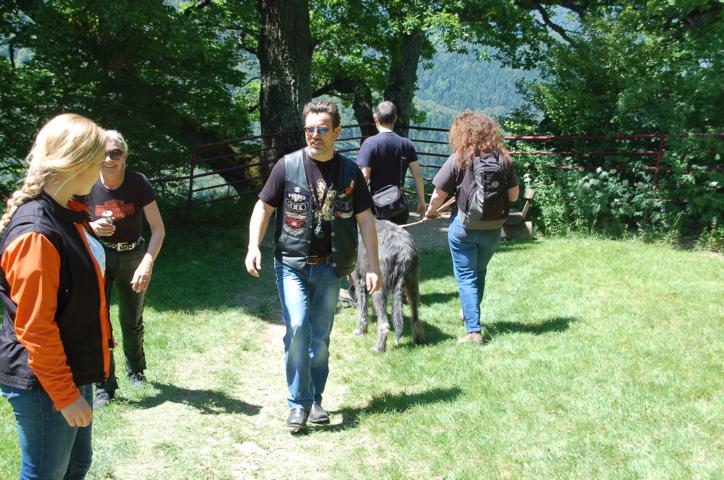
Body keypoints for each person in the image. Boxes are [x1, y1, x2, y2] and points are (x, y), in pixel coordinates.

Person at [245, 99, 382, 432]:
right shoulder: (287, 166)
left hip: (331, 267)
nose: (315, 135)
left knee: (320, 339)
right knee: (297, 328)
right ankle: (298, 404)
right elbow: (263, 208)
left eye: (322, 129)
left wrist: (373, 266)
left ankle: (315, 399)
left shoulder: (350, 172)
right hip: (291, 264)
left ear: (337, 132)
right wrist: (253, 246)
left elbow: (365, 219)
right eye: (309, 129)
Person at [0, 113, 111, 479]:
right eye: (98, 161)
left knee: (76, 466)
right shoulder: (36, 232)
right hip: (43, 382)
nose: (102, 171)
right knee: (46, 474)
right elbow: (35, 328)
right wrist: (65, 395)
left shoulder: (66, 214)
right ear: (77, 163)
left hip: (71, 367)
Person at [80, 130, 165, 407]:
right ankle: (105, 384)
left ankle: (136, 370)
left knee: (131, 319)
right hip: (100, 255)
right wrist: (91, 227)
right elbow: (72, 222)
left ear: (124, 156)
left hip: (133, 256)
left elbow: (158, 228)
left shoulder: (138, 183)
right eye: (103, 153)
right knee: (98, 321)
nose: (109, 159)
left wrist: (147, 263)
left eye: (115, 153)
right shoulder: (87, 182)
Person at [425, 112, 519, 344]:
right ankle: (468, 312)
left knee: (466, 276)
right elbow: (514, 195)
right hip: (494, 228)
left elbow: (438, 194)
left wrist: (430, 211)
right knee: (479, 272)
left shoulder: (459, 158)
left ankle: (473, 331)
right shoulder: (503, 159)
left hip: (464, 228)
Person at [356, 101, 427, 224]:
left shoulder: (369, 144)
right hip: (399, 205)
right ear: (395, 118)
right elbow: (417, 175)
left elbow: (364, 176)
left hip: (377, 207)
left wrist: (358, 204)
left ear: (375, 118)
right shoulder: (406, 143)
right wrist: (421, 201)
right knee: (399, 236)